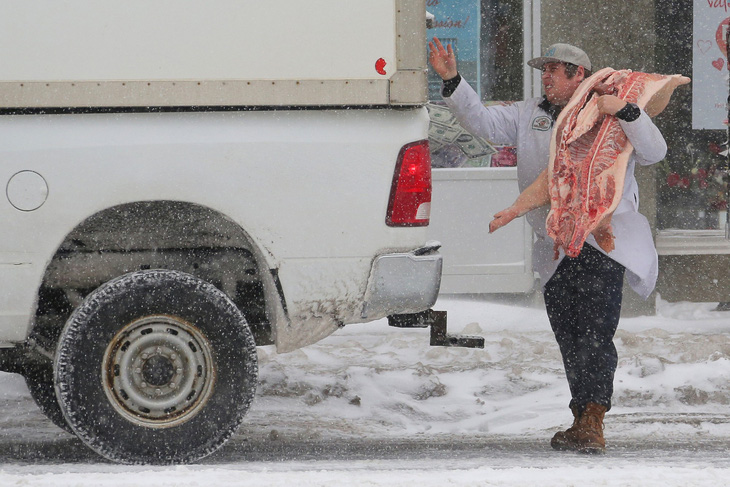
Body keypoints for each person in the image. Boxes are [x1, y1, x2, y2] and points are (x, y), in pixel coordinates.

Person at [428, 38, 667, 453]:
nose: (547, 77)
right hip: (556, 246)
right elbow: (483, 123)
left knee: (594, 332)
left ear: (580, 76)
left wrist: (628, 112)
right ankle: (581, 417)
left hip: (601, 242)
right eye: (545, 70)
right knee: (570, 335)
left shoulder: (608, 110)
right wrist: (452, 81)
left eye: (556, 70)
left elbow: (655, 152)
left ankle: (594, 417)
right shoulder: (529, 114)